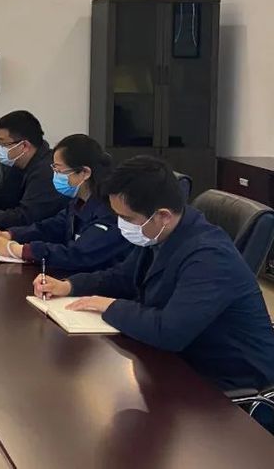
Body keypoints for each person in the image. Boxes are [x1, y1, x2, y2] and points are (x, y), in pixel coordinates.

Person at [35, 156, 274, 418]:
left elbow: (169, 331)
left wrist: (111, 306)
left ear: (163, 216)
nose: (121, 225)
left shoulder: (210, 257)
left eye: (126, 218)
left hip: (227, 389)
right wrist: (69, 285)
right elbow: (123, 277)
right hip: (177, 363)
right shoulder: (162, 234)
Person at [0, 134, 130, 273]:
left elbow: (77, 254)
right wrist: (10, 234)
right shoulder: (78, 201)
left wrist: (17, 250)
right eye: (54, 169)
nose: (55, 176)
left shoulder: (110, 210)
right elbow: (52, 226)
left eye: (59, 170)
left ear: (84, 172)